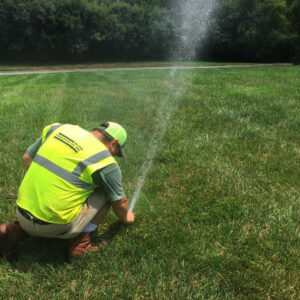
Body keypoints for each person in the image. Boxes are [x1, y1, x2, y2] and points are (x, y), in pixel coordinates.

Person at [0, 122, 134, 260]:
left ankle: (14, 230)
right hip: (56, 227)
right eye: (117, 153)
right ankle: (81, 244)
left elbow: (27, 158)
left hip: (22, 214)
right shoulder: (105, 161)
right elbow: (120, 202)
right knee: (107, 191)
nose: (114, 157)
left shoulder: (58, 129)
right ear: (114, 143)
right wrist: (126, 217)